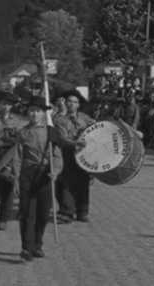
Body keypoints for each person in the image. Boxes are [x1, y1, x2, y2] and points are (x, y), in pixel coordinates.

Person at [11, 96, 63, 261]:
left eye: (38, 111)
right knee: (27, 212)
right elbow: (17, 157)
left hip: (45, 174)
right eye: (32, 110)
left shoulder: (51, 132)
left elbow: (57, 156)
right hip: (28, 173)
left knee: (42, 213)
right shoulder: (23, 132)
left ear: (43, 113)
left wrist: (55, 171)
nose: (34, 114)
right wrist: (15, 179)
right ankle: (26, 247)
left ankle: (37, 245)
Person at [0, 91, 26, 230]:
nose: (5, 107)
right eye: (3, 103)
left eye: (8, 104)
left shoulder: (19, 120)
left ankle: (4, 219)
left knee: (8, 188)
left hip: (9, 155)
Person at [54, 89, 96, 223]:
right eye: (69, 101)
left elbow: (96, 130)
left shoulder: (85, 118)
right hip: (67, 153)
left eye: (75, 102)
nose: (72, 104)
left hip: (84, 154)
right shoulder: (60, 120)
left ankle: (83, 212)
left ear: (79, 105)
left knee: (83, 182)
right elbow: (62, 138)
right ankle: (67, 212)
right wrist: (76, 143)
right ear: (65, 104)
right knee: (67, 183)